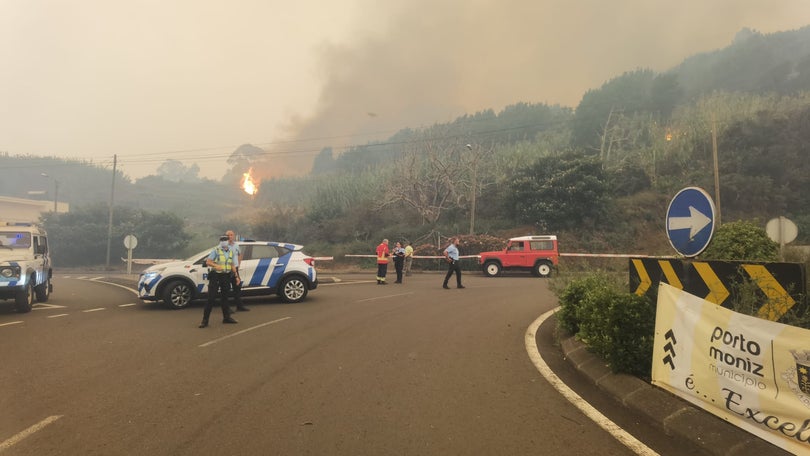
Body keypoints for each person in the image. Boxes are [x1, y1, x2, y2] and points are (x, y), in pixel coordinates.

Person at [199, 235, 239, 328]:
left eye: (225, 240)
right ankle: (205, 320)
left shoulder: (231, 251)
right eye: (222, 240)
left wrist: (236, 276)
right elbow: (208, 261)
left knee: (225, 297)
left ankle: (227, 318)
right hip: (215, 276)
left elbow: (232, 264)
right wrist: (216, 266)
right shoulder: (216, 250)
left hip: (226, 276)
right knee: (211, 298)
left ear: (228, 241)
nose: (223, 241)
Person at [226, 230, 249, 312]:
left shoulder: (236, 245)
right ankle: (226, 308)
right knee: (226, 289)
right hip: (226, 270)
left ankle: (239, 306)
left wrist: (238, 265)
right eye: (228, 235)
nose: (230, 236)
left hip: (235, 269)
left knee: (237, 288)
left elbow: (239, 255)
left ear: (234, 236)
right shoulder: (223, 246)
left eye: (231, 235)